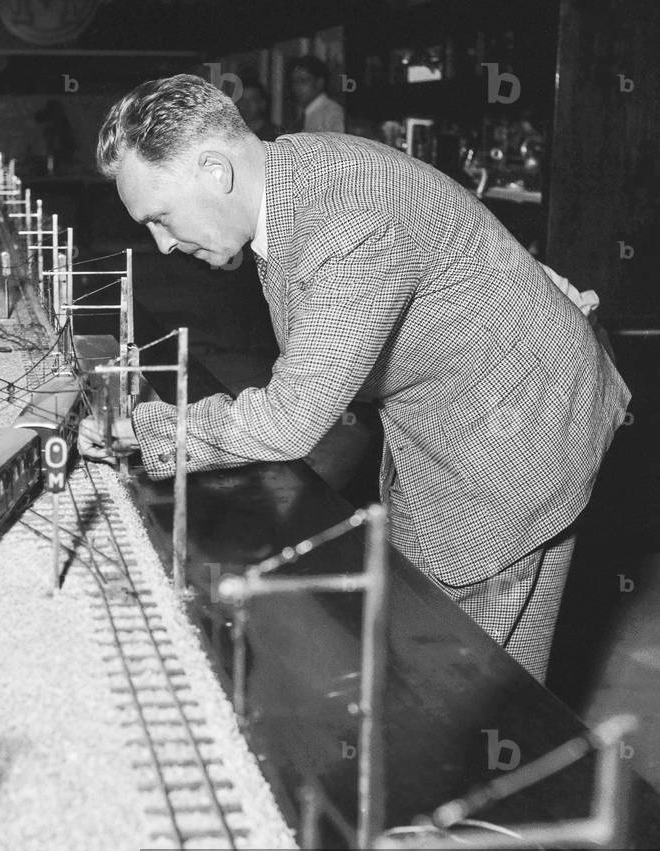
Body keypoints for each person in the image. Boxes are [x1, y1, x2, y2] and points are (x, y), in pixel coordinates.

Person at [79, 74, 630, 683]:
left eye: (160, 217)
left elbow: (289, 422)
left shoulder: (346, 226)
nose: (160, 246)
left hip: (518, 438)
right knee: (422, 624)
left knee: (461, 676)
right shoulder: (288, 172)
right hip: (451, 409)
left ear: (214, 169)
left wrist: (135, 429)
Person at [289, 56, 344, 134]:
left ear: (319, 83)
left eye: (303, 81)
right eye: (294, 82)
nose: (296, 87)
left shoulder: (332, 113)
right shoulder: (305, 112)